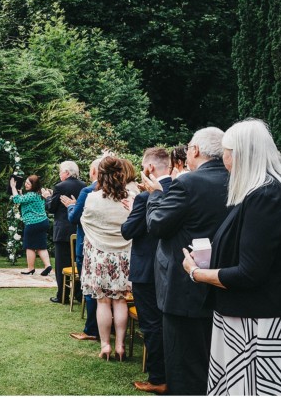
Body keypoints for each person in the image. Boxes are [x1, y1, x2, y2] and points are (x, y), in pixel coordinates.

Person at [182, 119, 281, 395]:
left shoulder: (266, 196)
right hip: (260, 315)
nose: (224, 159)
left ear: (239, 154)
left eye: (226, 152)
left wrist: (197, 272)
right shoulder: (277, 189)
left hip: (261, 326)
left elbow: (249, 273)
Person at [143, 127, 230, 396]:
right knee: (213, 361)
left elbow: (157, 225)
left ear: (195, 150)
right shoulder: (236, 179)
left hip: (184, 284)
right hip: (223, 280)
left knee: (182, 363)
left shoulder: (188, 183)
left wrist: (155, 195)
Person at [121, 148, 172, 394]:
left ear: (149, 168)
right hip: (174, 269)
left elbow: (128, 230)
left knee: (151, 324)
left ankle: (157, 377)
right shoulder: (180, 189)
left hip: (147, 270)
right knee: (169, 322)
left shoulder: (144, 198)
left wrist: (133, 208)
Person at [79, 157, 138, 361]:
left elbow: (84, 221)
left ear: (100, 174)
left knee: (103, 302)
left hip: (99, 255)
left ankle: (105, 345)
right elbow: (136, 223)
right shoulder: (132, 196)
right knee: (120, 301)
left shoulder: (92, 198)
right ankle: (120, 345)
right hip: (124, 256)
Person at [62, 157, 102, 341]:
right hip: (112, 249)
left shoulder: (88, 191)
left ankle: (92, 328)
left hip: (87, 245)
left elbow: (74, 218)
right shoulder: (120, 192)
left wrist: (71, 207)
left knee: (91, 288)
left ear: (94, 172)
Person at [43, 161, 86, 304]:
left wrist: (48, 197)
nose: (60, 174)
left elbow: (52, 207)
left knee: (61, 264)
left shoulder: (60, 186)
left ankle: (63, 295)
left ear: (67, 172)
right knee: (78, 262)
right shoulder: (84, 186)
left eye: (61, 172)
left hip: (62, 231)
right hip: (79, 229)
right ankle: (79, 294)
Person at [9, 174, 51, 276]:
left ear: (34, 185)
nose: (26, 184)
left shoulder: (31, 195)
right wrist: (21, 194)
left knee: (30, 246)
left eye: (28, 183)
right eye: (26, 182)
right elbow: (26, 201)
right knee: (41, 246)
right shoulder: (38, 194)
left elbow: (17, 200)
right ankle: (47, 265)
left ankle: (30, 268)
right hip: (43, 221)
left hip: (33, 223)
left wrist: (13, 187)